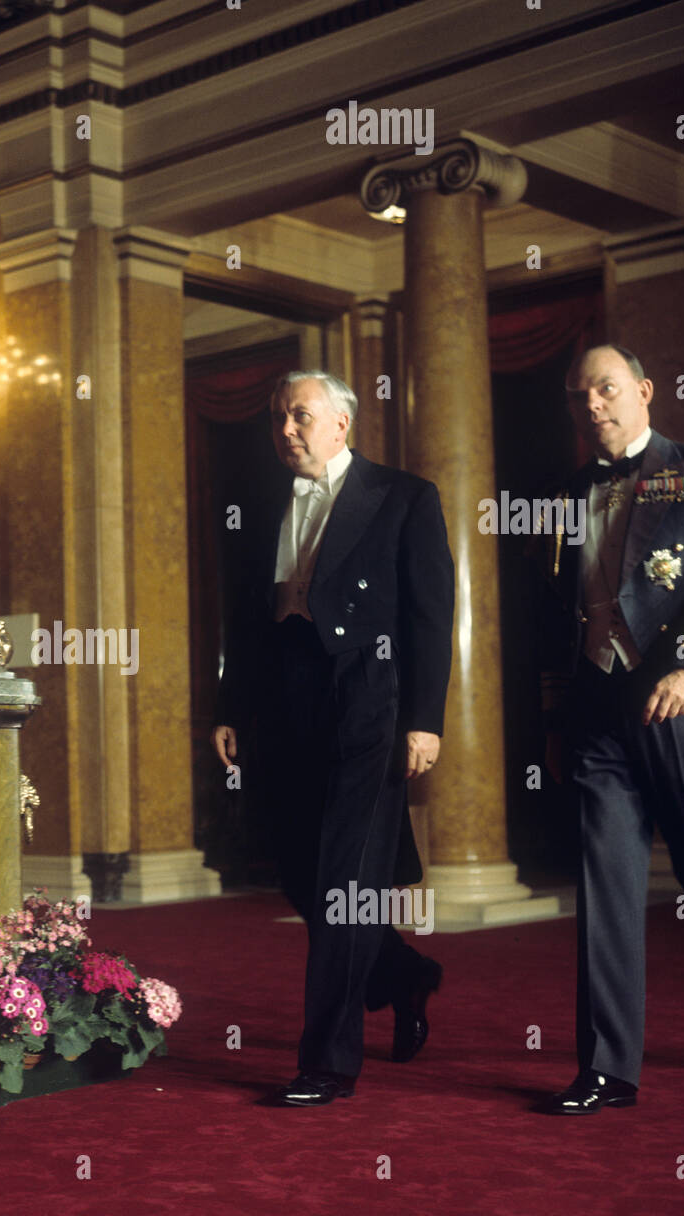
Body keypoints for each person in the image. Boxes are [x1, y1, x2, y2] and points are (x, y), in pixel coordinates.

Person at [212, 370, 454, 1106]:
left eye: (301, 416)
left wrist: (423, 719)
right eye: (279, 418)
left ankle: (326, 1061)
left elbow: (429, 616)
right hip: (284, 701)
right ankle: (401, 974)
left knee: (346, 880)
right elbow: (243, 619)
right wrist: (229, 706)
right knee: (295, 869)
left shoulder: (403, 496)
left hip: (366, 699)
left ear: (341, 423)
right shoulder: (258, 504)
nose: (286, 429)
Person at [540, 344, 684, 1114]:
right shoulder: (564, 494)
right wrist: (556, 716)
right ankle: (607, 1069)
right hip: (597, 714)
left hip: (679, 704)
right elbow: (552, 616)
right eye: (579, 396)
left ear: (645, 391)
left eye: (607, 389)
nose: (592, 406)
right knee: (604, 888)